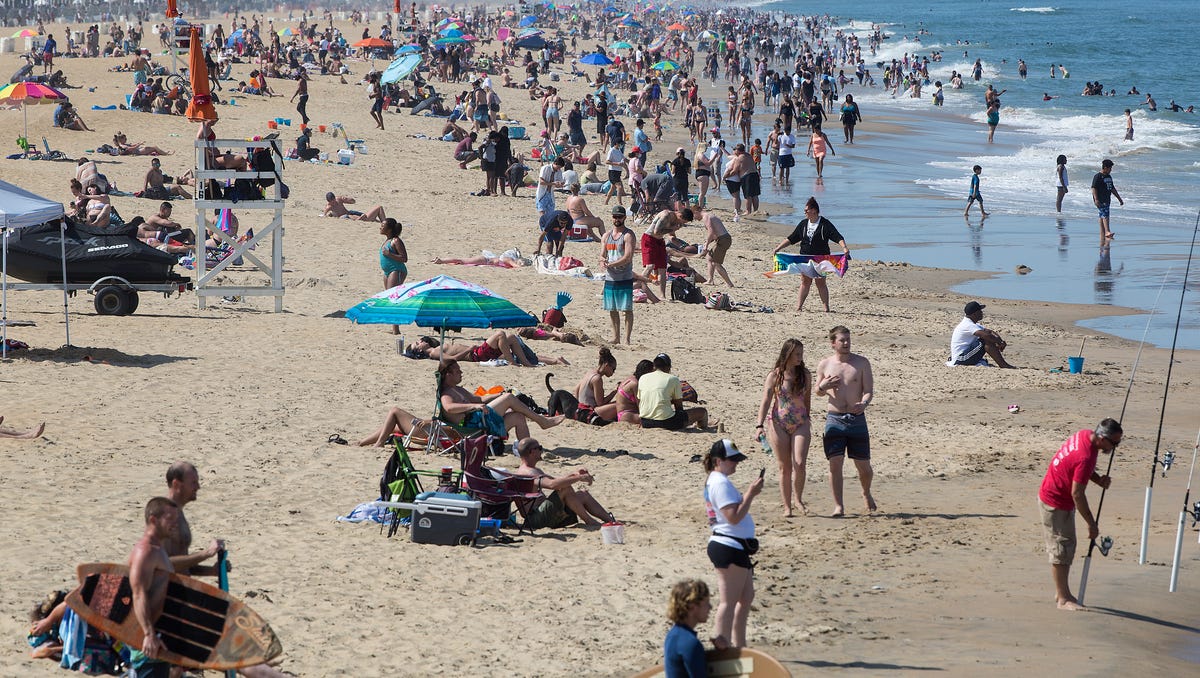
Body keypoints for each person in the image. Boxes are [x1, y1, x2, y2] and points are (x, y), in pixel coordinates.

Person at [1038, 419, 1121, 611]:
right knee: (1062, 548)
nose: (1114, 448)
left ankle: (1061, 592)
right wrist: (1091, 524)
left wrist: (1098, 479)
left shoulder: (1084, 435)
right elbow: (1077, 493)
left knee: (1067, 544)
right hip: (1055, 502)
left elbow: (1080, 469)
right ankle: (1063, 599)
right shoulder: (1086, 457)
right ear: (1102, 438)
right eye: (1114, 443)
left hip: (1055, 495)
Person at [703, 439, 762, 648]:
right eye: (732, 460)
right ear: (718, 461)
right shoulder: (719, 483)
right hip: (728, 546)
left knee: (746, 597)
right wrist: (750, 494)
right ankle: (723, 646)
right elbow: (733, 517)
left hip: (734, 546)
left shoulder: (718, 480)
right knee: (728, 602)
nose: (736, 464)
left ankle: (740, 646)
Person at [814, 326, 876, 517]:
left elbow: (868, 390)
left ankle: (865, 492)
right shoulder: (825, 364)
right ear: (833, 343)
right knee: (835, 464)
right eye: (842, 340)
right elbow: (817, 391)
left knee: (864, 467)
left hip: (857, 419)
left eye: (848, 339)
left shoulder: (861, 363)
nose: (847, 343)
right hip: (834, 419)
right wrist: (823, 386)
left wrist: (864, 403)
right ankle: (838, 506)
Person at [438, 359, 564, 440]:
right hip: (470, 426)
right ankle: (542, 421)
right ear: (448, 375)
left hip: (480, 421)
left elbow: (479, 399)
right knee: (509, 398)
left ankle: (526, 450)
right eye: (457, 371)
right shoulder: (446, 393)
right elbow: (449, 407)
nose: (461, 372)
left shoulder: (458, 389)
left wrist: (499, 394)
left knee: (518, 417)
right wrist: (473, 406)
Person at [756, 339, 812, 517]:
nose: (800, 357)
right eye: (796, 354)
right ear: (787, 354)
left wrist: (807, 417)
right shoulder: (775, 375)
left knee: (800, 463)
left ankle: (798, 499)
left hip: (800, 423)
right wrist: (759, 425)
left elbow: (808, 399)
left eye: (801, 354)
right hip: (778, 423)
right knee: (785, 467)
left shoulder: (805, 374)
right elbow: (766, 401)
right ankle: (787, 506)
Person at [127, 497, 179, 677]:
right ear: (153, 520)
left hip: (159, 640)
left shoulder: (157, 550)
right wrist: (149, 634)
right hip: (148, 643)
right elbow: (138, 593)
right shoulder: (146, 550)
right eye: (170, 518)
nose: (175, 524)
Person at [772, 197, 850, 312]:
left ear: (814, 210)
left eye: (806, 210)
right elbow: (792, 238)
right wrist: (778, 248)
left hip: (820, 259)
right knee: (805, 281)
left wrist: (844, 248)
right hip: (804, 257)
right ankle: (799, 307)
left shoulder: (824, 224)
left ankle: (826, 308)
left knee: (821, 282)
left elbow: (837, 236)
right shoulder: (803, 224)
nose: (804, 213)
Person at [513, 437, 611, 528]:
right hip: (535, 519)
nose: (541, 451)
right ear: (532, 451)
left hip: (544, 514)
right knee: (566, 488)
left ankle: (610, 520)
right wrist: (579, 478)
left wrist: (575, 473)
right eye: (540, 448)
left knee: (583, 494)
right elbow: (553, 485)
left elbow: (556, 480)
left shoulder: (533, 469)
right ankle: (589, 521)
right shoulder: (528, 472)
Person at [663, 579, 724, 678]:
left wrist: (719, 653)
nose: (710, 607)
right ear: (693, 607)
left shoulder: (672, 636)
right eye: (707, 602)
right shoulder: (690, 643)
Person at [639, 353, 708, 430]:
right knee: (702, 412)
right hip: (665, 422)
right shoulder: (673, 379)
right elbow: (679, 407)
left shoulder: (643, 378)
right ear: (668, 367)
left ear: (654, 366)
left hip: (645, 422)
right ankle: (704, 428)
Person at [601, 205, 637, 344]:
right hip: (611, 277)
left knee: (627, 309)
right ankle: (616, 337)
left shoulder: (628, 235)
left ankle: (627, 339)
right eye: (615, 216)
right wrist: (602, 261)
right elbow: (602, 254)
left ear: (624, 218)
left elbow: (628, 257)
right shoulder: (607, 235)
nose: (617, 219)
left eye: (619, 217)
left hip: (624, 276)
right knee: (612, 308)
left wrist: (611, 264)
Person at [950, 301, 1014, 368]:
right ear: (974, 314)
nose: (982, 313)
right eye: (980, 311)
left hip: (964, 355)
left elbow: (990, 332)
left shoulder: (972, 324)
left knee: (989, 338)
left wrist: (1000, 341)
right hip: (960, 358)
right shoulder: (967, 324)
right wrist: (998, 342)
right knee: (986, 340)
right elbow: (986, 335)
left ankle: (1003, 364)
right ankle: (1003, 364)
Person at [1091, 158, 1123, 243]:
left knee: (1102, 216)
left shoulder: (1109, 177)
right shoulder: (1098, 176)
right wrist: (1096, 199)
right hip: (1100, 199)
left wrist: (1119, 198)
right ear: (1105, 167)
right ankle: (1107, 231)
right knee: (1105, 214)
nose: (1110, 170)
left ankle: (1102, 236)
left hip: (1107, 198)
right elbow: (1093, 188)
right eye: (1109, 168)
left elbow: (1112, 188)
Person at [700, 209, 734, 287]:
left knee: (716, 263)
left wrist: (706, 245)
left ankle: (729, 283)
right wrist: (707, 242)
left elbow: (711, 232)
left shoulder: (706, 217)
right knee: (709, 257)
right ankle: (710, 280)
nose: (694, 218)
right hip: (723, 239)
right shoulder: (709, 215)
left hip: (723, 240)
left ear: (696, 212)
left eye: (693, 216)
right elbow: (715, 234)